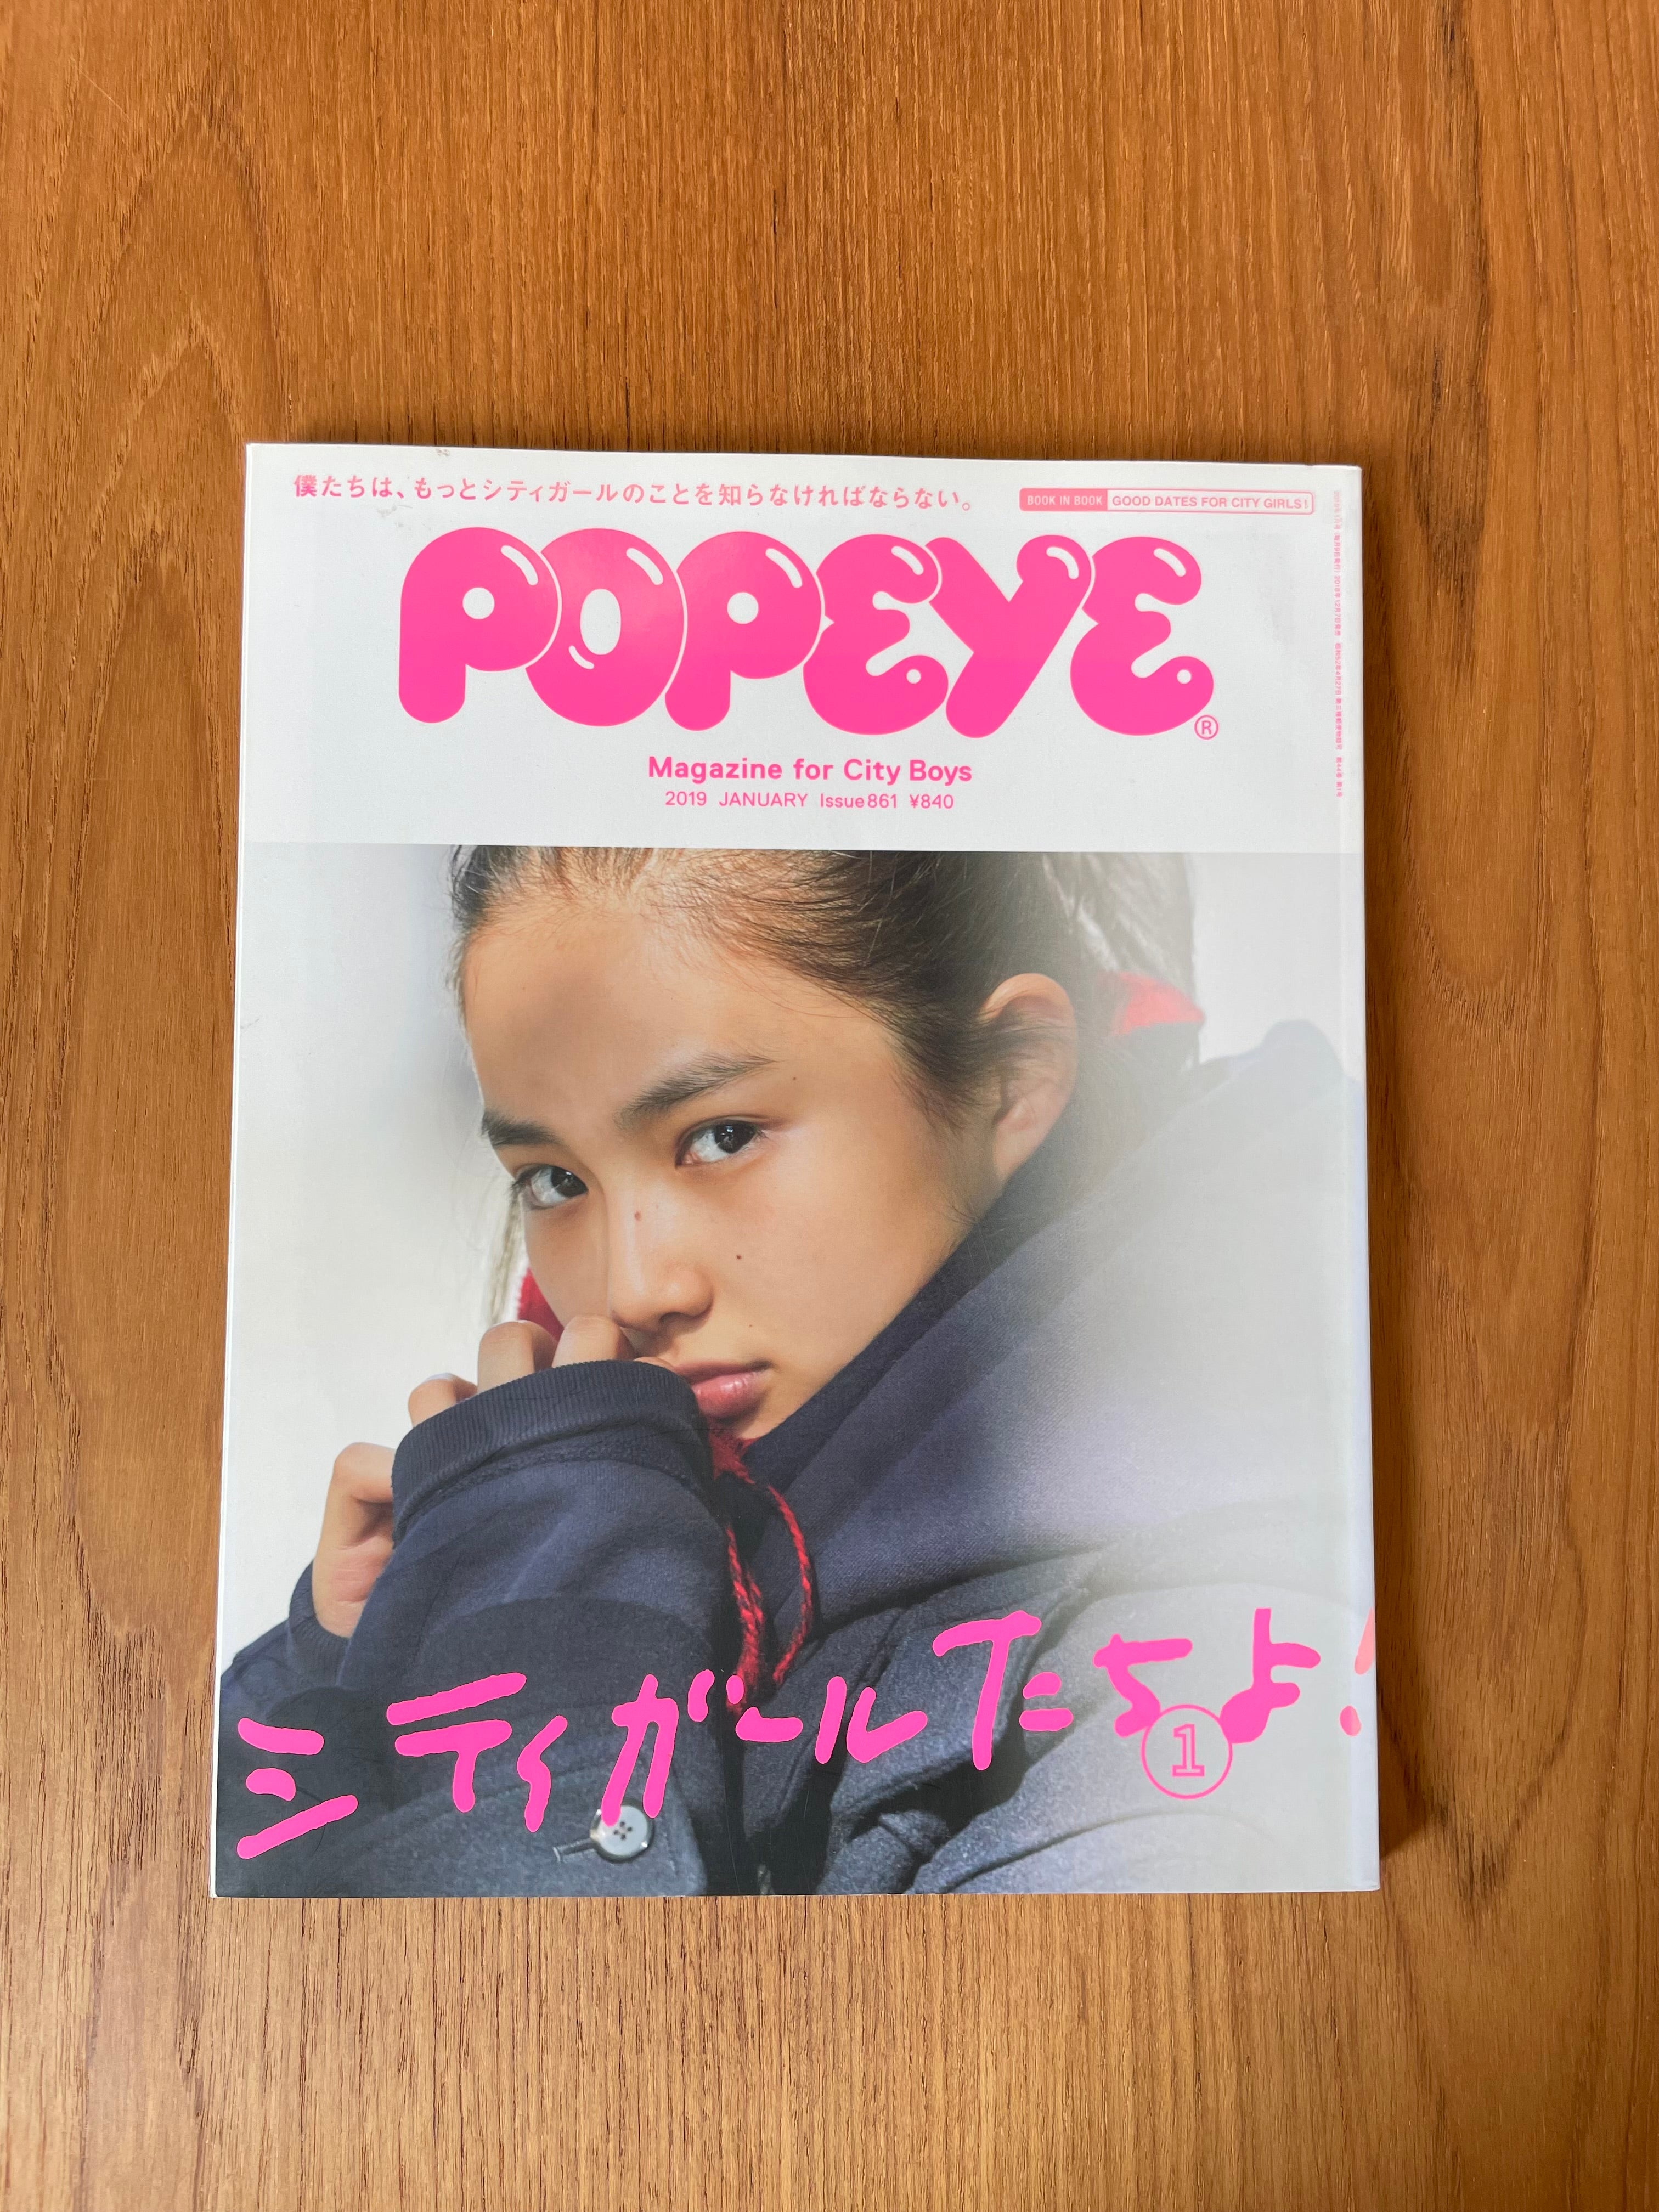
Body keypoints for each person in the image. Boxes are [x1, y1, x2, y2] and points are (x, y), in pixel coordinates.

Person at [218, 848, 1371, 1896]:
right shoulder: (669, 1510)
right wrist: (364, 1677)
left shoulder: (1222, 1659)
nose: (633, 1288)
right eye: (555, 1180)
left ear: (1012, 1081)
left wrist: (553, 1689)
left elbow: (556, 2059)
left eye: (721, 1136)